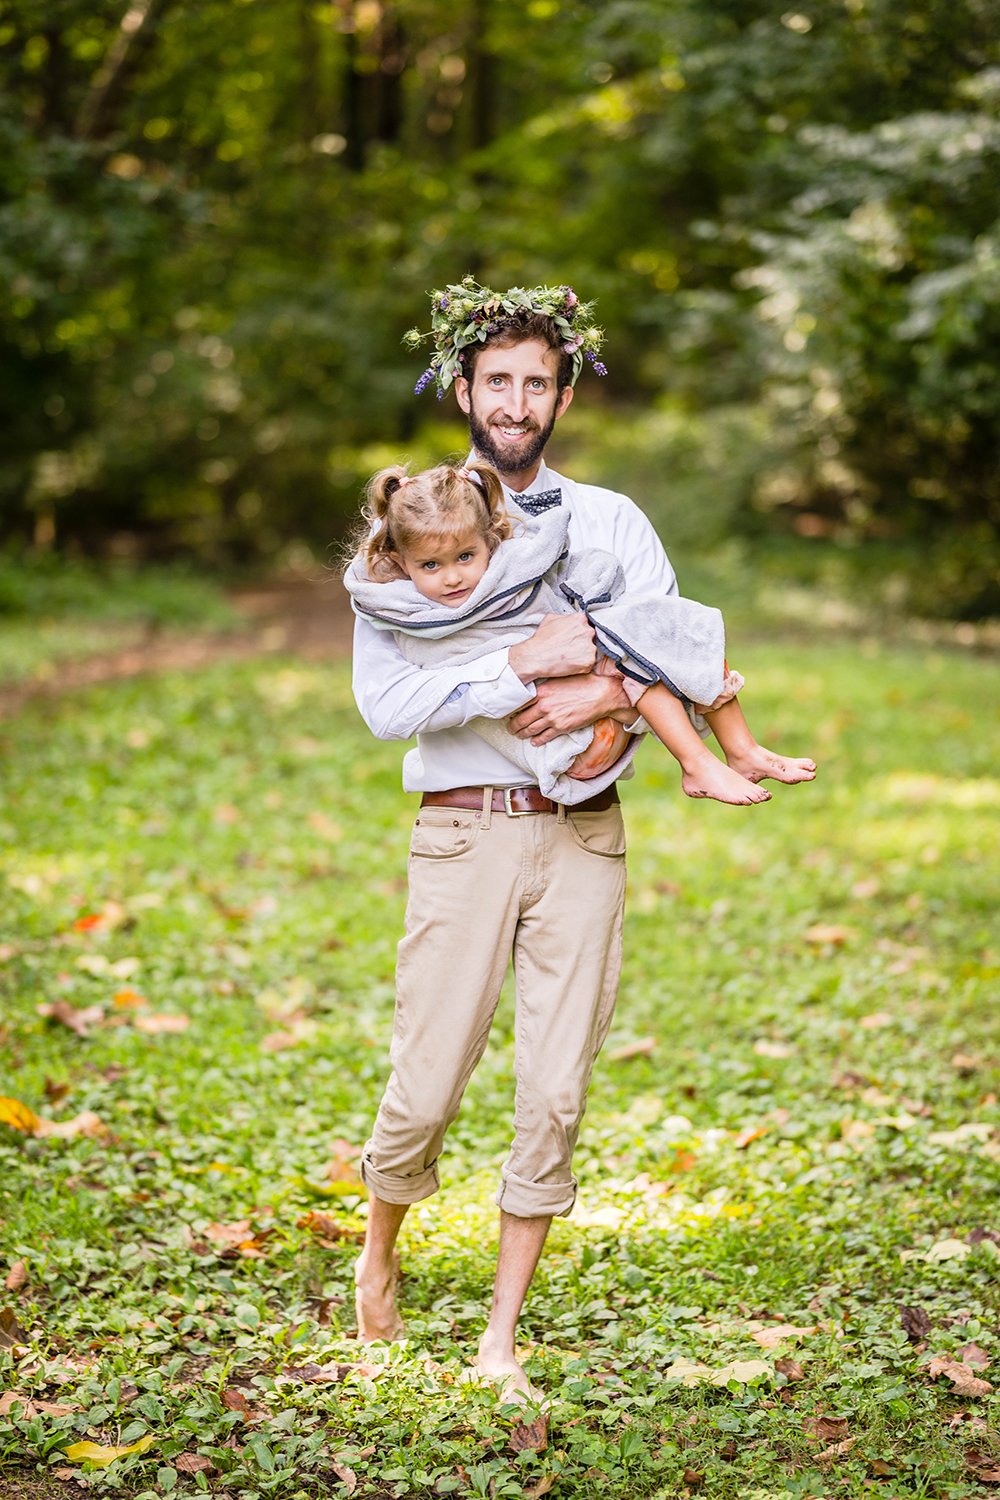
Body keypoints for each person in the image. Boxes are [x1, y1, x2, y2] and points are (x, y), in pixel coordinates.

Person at [348, 277, 814, 1402]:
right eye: (496, 380)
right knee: (423, 1087)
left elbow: (665, 654)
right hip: (463, 838)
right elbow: (389, 707)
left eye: (535, 383)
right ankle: (376, 1254)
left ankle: (499, 1336)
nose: (515, 400)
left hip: (582, 834)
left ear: (560, 397)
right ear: (462, 387)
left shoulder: (609, 522)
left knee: (554, 1093)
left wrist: (598, 692)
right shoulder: (412, 535)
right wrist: (514, 666)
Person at [345, 458, 817, 805]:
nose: (451, 577)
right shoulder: (399, 606)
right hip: (550, 759)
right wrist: (527, 661)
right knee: (633, 646)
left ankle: (741, 749)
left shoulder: (588, 522)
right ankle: (698, 764)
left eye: (465, 558)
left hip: (591, 799)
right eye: (431, 565)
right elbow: (388, 712)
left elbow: (617, 607)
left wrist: (607, 689)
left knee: (665, 632)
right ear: (401, 562)